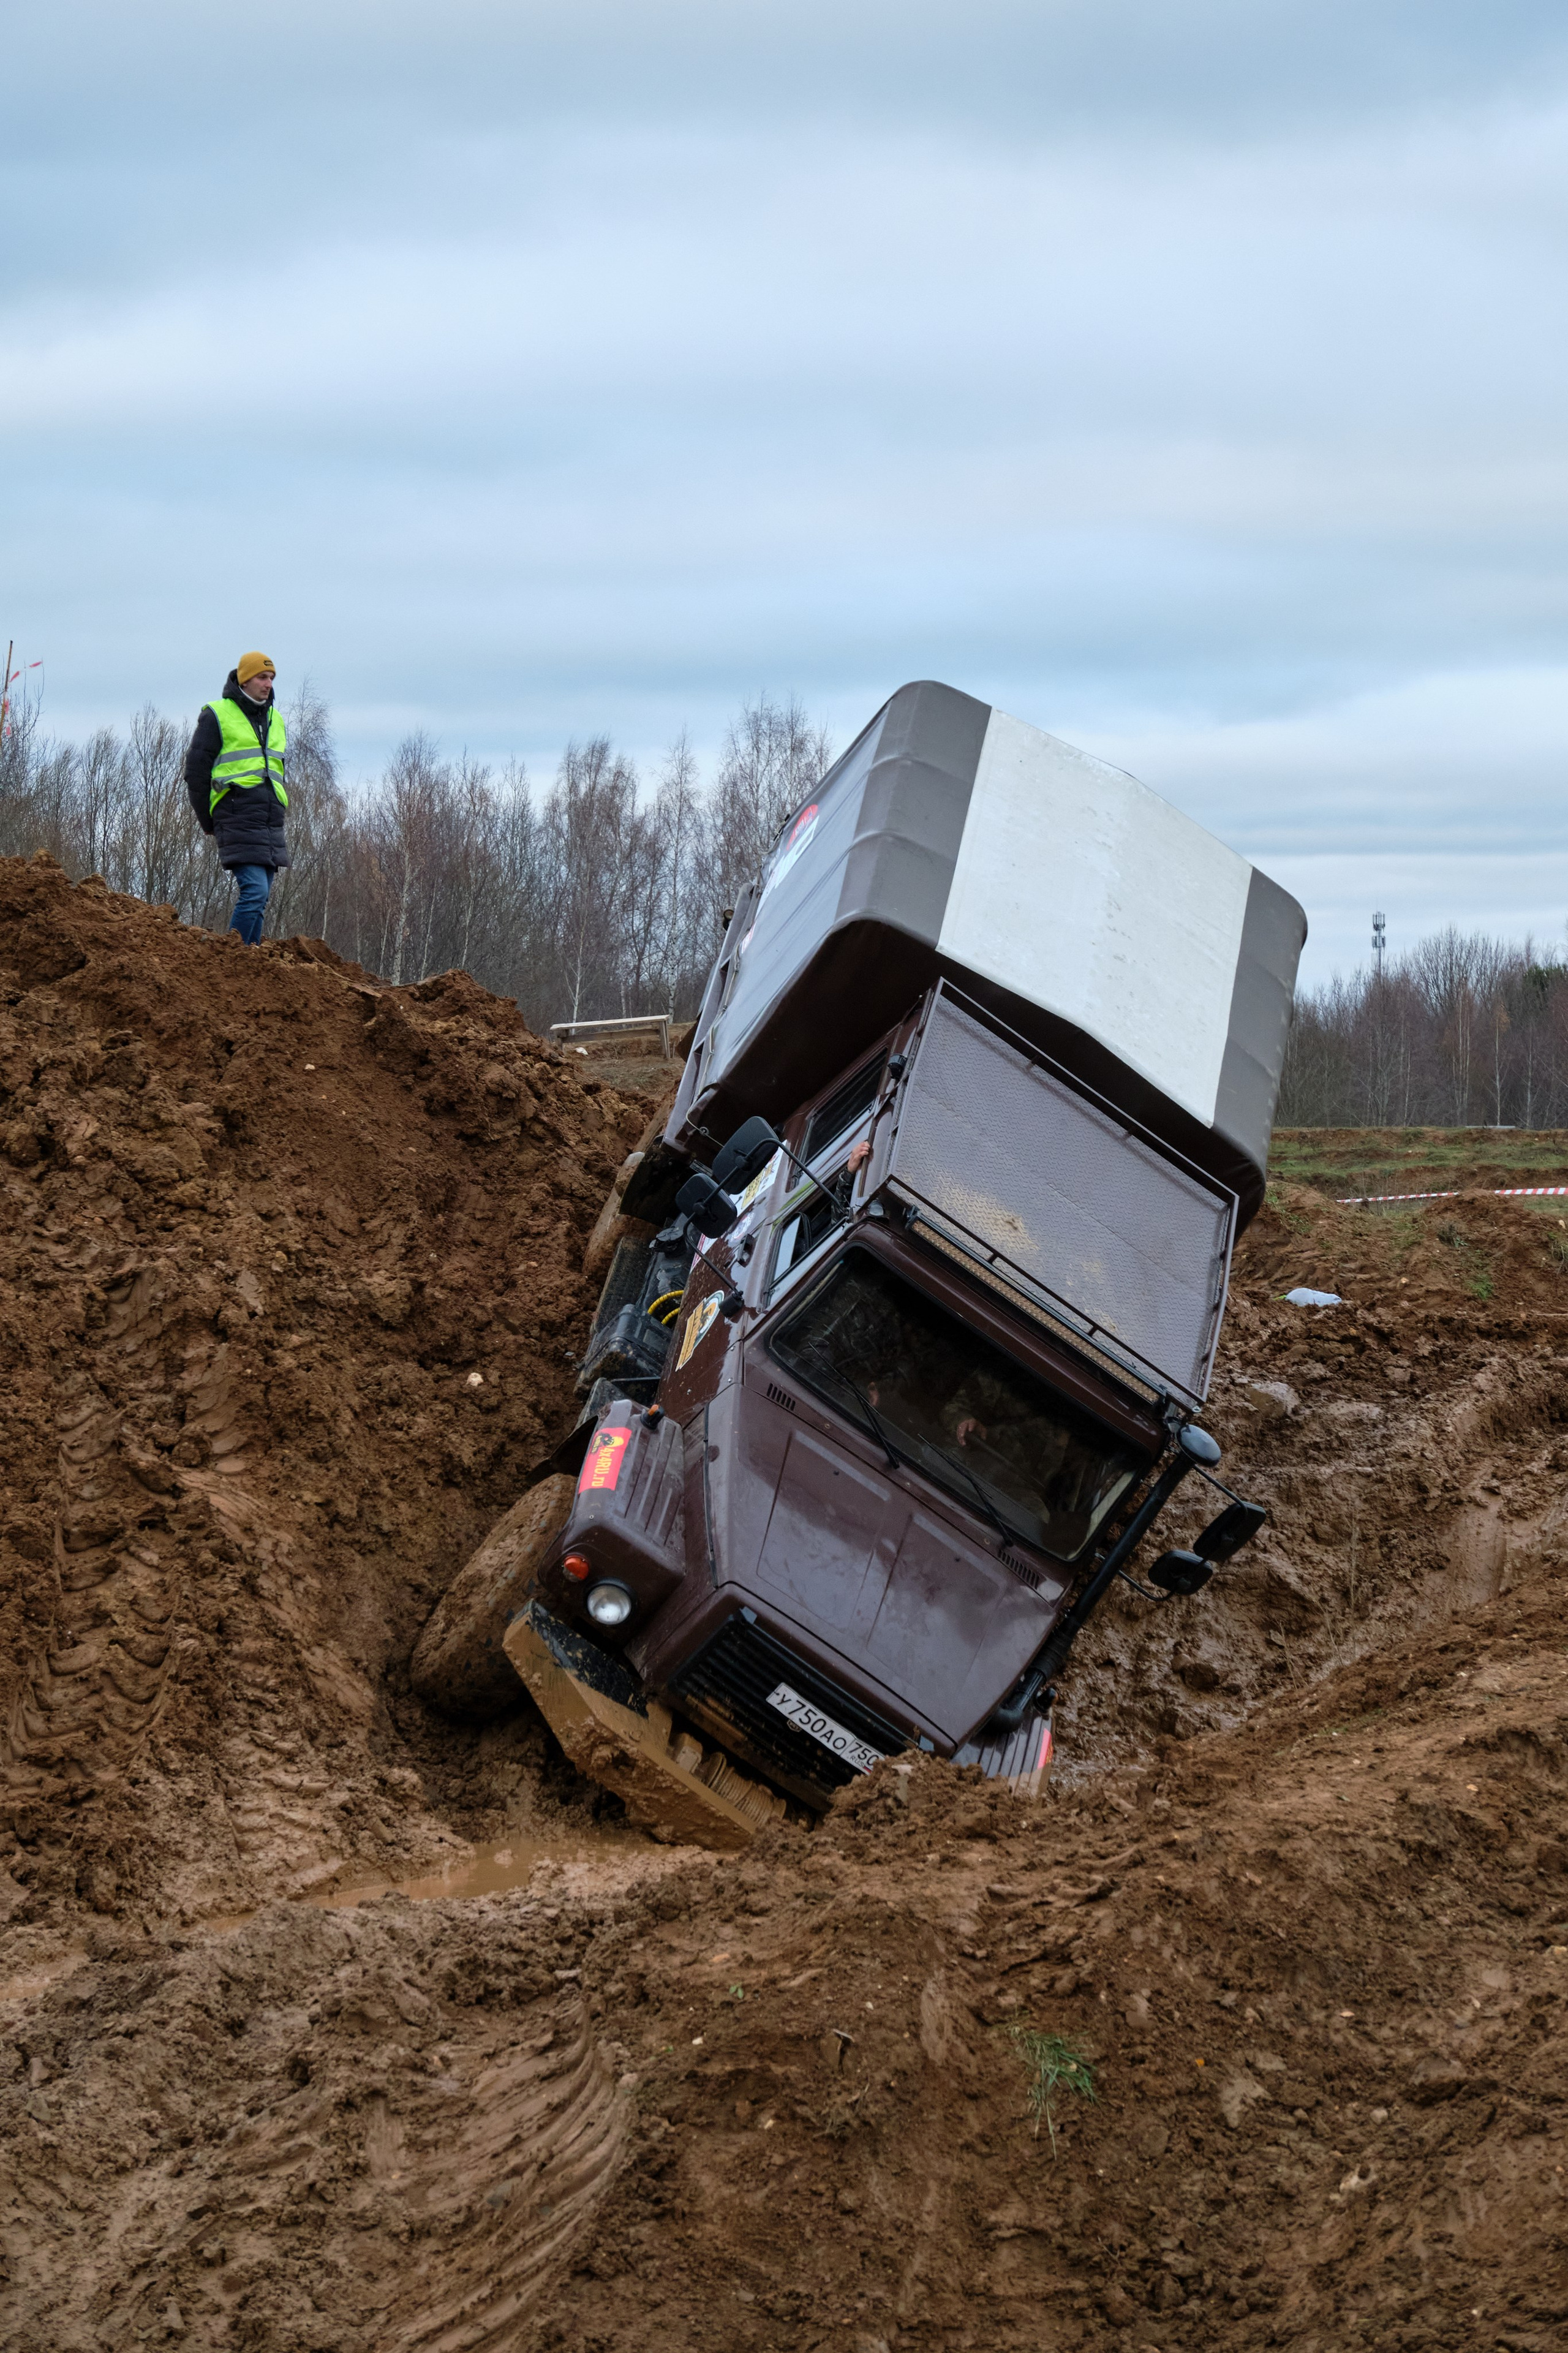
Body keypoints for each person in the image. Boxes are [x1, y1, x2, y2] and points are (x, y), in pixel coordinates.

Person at [184, 652, 290, 944]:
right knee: (255, 891)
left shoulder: (276, 719)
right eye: (262, 677)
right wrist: (207, 820)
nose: (268, 684)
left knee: (262, 897)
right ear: (244, 680)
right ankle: (233, 960)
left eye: (271, 678)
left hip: (269, 820)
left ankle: (250, 958)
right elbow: (196, 772)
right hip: (235, 814)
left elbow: (277, 769)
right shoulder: (217, 715)